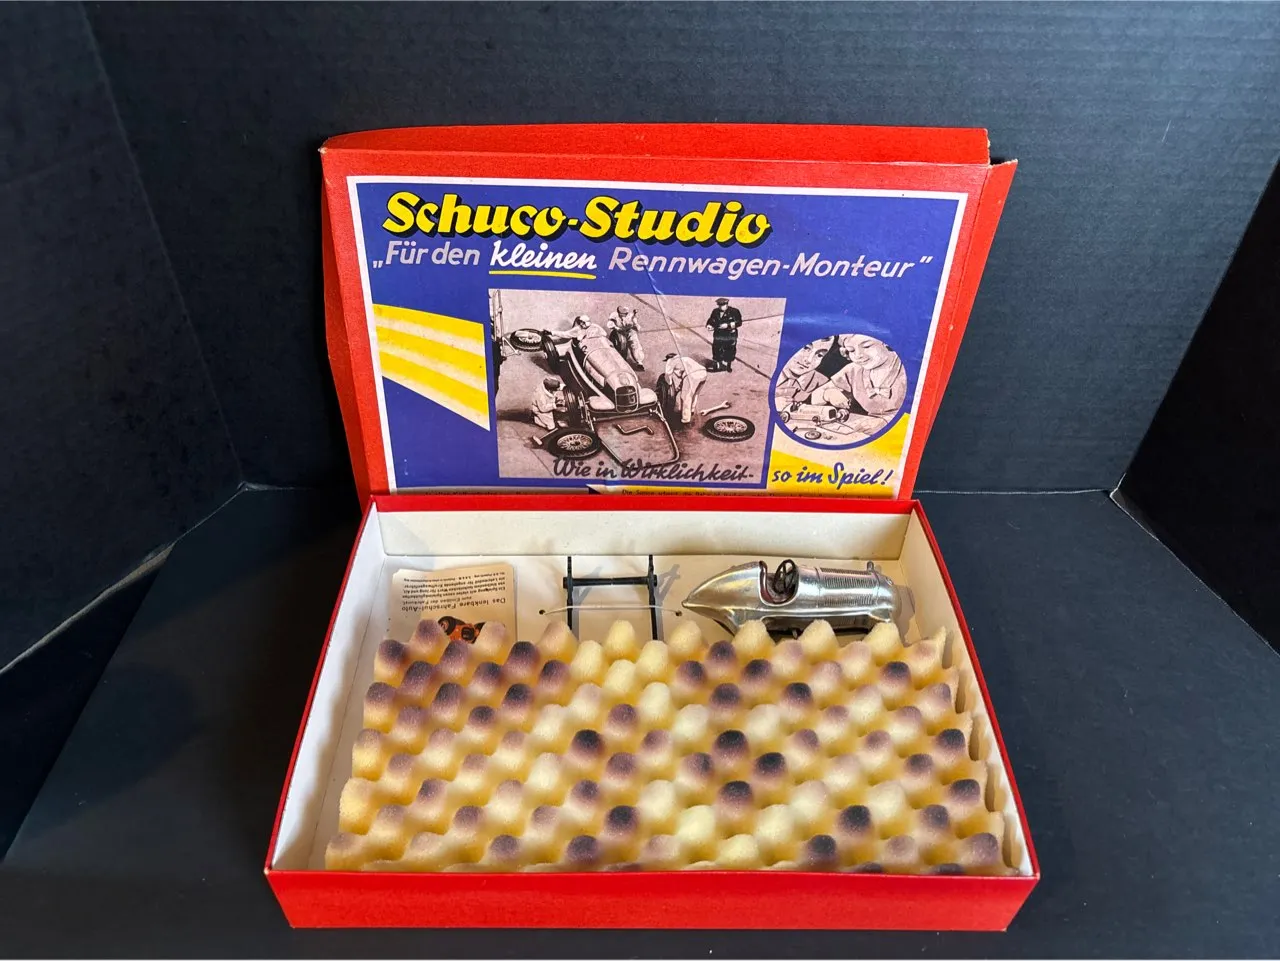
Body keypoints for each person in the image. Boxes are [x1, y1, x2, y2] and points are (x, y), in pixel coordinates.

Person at [819, 334, 907, 428]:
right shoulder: (854, 369)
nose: (858, 355)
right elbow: (815, 395)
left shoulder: (908, 370)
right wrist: (828, 394)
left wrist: (885, 422)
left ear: (885, 342)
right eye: (851, 350)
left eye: (866, 346)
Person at [774, 337, 835, 407]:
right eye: (806, 348)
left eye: (819, 355)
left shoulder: (822, 383)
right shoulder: (768, 367)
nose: (809, 360)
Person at [661, 351, 708, 424]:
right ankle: (692, 410)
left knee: (685, 397)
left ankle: (685, 419)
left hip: (692, 375)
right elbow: (685, 379)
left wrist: (669, 384)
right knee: (695, 394)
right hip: (703, 373)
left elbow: (668, 374)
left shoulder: (671, 361)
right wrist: (678, 388)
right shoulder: (684, 359)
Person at [705, 297, 742, 372]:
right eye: (719, 305)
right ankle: (717, 365)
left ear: (726, 304)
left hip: (730, 335)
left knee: (729, 350)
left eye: (722, 305)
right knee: (717, 349)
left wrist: (728, 325)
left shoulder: (734, 311)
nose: (720, 307)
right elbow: (711, 320)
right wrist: (709, 325)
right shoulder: (715, 311)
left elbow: (739, 322)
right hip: (718, 334)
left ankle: (728, 366)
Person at [607, 305, 645, 370]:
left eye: (625, 313)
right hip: (619, 332)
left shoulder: (631, 316)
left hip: (629, 331)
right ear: (618, 312)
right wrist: (616, 328)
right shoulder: (614, 315)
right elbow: (609, 323)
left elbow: (636, 326)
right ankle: (620, 361)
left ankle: (639, 362)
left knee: (634, 345)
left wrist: (635, 325)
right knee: (621, 347)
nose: (623, 315)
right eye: (621, 313)